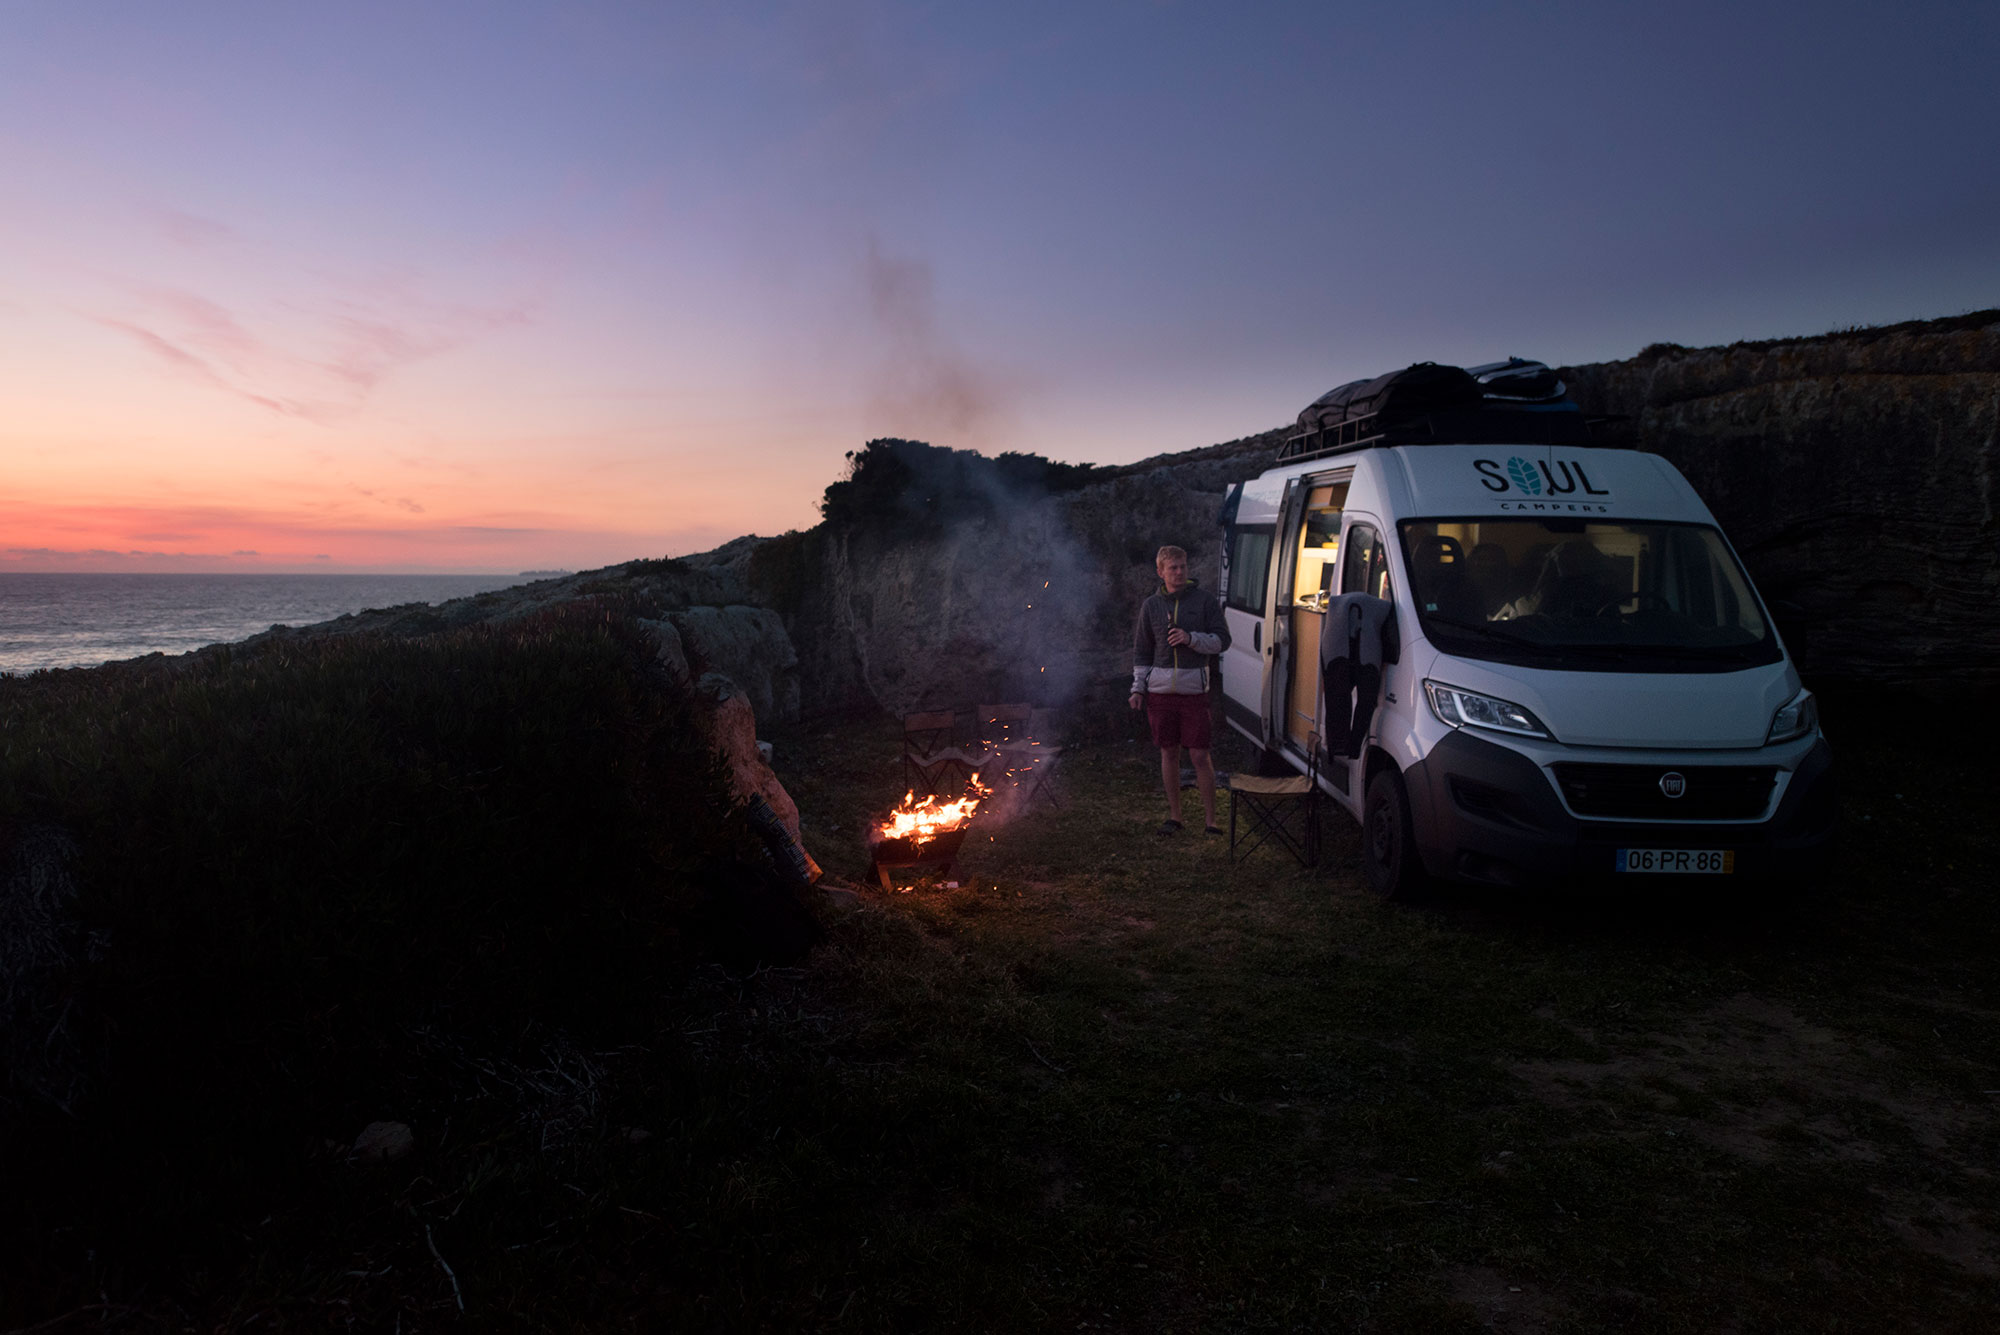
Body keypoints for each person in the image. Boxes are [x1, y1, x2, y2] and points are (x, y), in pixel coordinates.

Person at [1129, 545, 1231, 835]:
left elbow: (1223, 641)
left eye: (1182, 567)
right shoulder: (1151, 606)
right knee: (1169, 753)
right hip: (1160, 693)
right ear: (1160, 572)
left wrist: (1191, 639)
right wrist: (1138, 689)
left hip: (1193, 692)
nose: (1179, 572)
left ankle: (1211, 821)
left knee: (1199, 755)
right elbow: (1142, 651)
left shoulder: (1204, 601)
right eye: (1172, 568)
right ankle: (1176, 817)